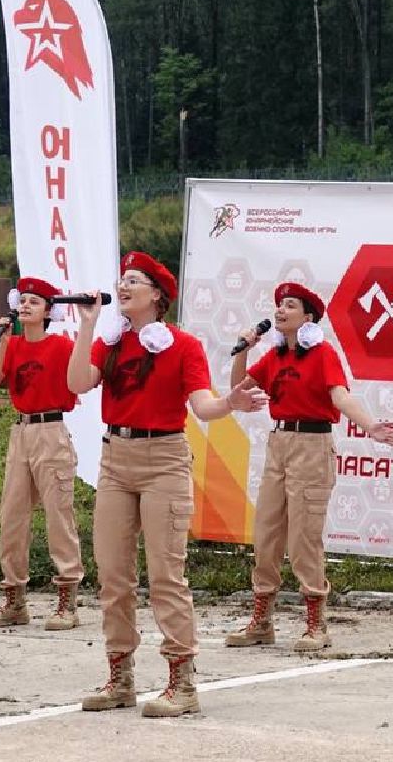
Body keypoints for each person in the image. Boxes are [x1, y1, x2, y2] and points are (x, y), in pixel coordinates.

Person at [67, 251, 267, 719]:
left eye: (133, 280)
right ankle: (120, 678)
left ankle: (182, 681)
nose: (123, 286)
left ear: (157, 295)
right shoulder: (110, 342)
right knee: (114, 577)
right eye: (121, 280)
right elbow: (77, 383)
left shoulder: (182, 345)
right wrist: (86, 325)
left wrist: (232, 401)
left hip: (164, 461)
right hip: (115, 458)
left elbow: (204, 407)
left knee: (165, 576)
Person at [225, 282, 393, 652]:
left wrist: (369, 426)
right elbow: (237, 391)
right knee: (267, 533)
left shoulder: (322, 354)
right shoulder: (273, 357)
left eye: (289, 305)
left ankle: (316, 623)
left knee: (304, 536)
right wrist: (244, 349)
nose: (280, 310)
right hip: (279, 445)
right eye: (278, 305)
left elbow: (340, 395)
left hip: (312, 444)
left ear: (307, 316)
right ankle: (261, 621)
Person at [0, 277, 84, 632]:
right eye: (21, 301)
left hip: (51, 430)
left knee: (59, 517)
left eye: (34, 302)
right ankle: (14, 600)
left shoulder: (61, 346)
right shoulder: (13, 344)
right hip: (21, 431)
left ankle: (67, 600)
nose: (25, 306)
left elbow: (77, 381)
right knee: (12, 517)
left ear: (48, 311)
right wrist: (4, 339)